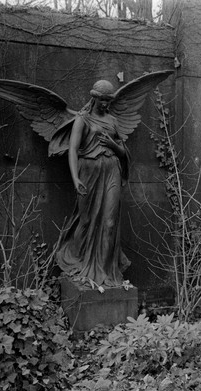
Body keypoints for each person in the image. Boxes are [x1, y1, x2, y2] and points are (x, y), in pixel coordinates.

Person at [56, 80, 131, 287]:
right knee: (86, 220)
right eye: (102, 100)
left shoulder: (113, 121)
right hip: (88, 172)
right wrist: (75, 178)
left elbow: (123, 152)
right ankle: (78, 262)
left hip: (112, 171)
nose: (105, 104)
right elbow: (72, 150)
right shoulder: (83, 119)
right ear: (94, 98)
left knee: (110, 223)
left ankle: (105, 273)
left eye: (108, 100)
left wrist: (113, 145)